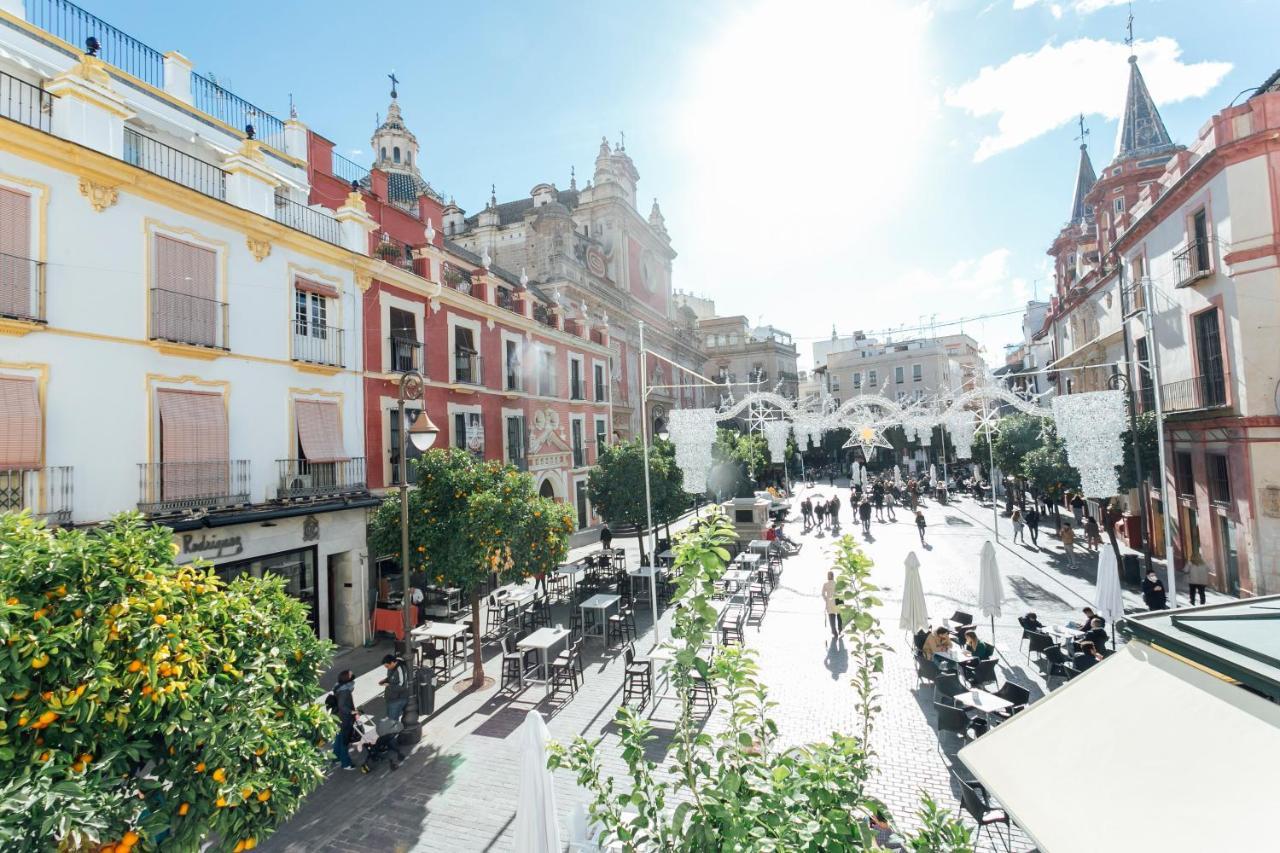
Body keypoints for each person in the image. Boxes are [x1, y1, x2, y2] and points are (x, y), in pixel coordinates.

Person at [330, 669, 357, 770]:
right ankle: (346, 764)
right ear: (347, 678)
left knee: (339, 738)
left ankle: (336, 758)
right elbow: (342, 706)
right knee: (344, 741)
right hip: (344, 718)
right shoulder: (345, 691)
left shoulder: (339, 686)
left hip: (337, 717)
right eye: (351, 674)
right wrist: (352, 712)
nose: (352, 675)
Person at [379, 654, 410, 724]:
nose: (387, 668)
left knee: (393, 720)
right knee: (390, 718)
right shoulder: (391, 667)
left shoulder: (401, 669)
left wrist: (389, 685)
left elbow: (403, 685)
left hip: (397, 698)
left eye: (387, 666)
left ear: (392, 663)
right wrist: (385, 680)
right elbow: (391, 678)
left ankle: (394, 733)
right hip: (391, 697)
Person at [821, 571, 842, 639]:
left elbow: (823, 594)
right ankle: (840, 630)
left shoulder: (825, 584)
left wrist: (826, 600)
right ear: (833, 576)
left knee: (831, 617)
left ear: (829, 576)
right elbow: (840, 593)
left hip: (830, 602)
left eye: (828, 575)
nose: (828, 576)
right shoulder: (836, 584)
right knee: (839, 616)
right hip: (837, 601)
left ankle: (834, 632)